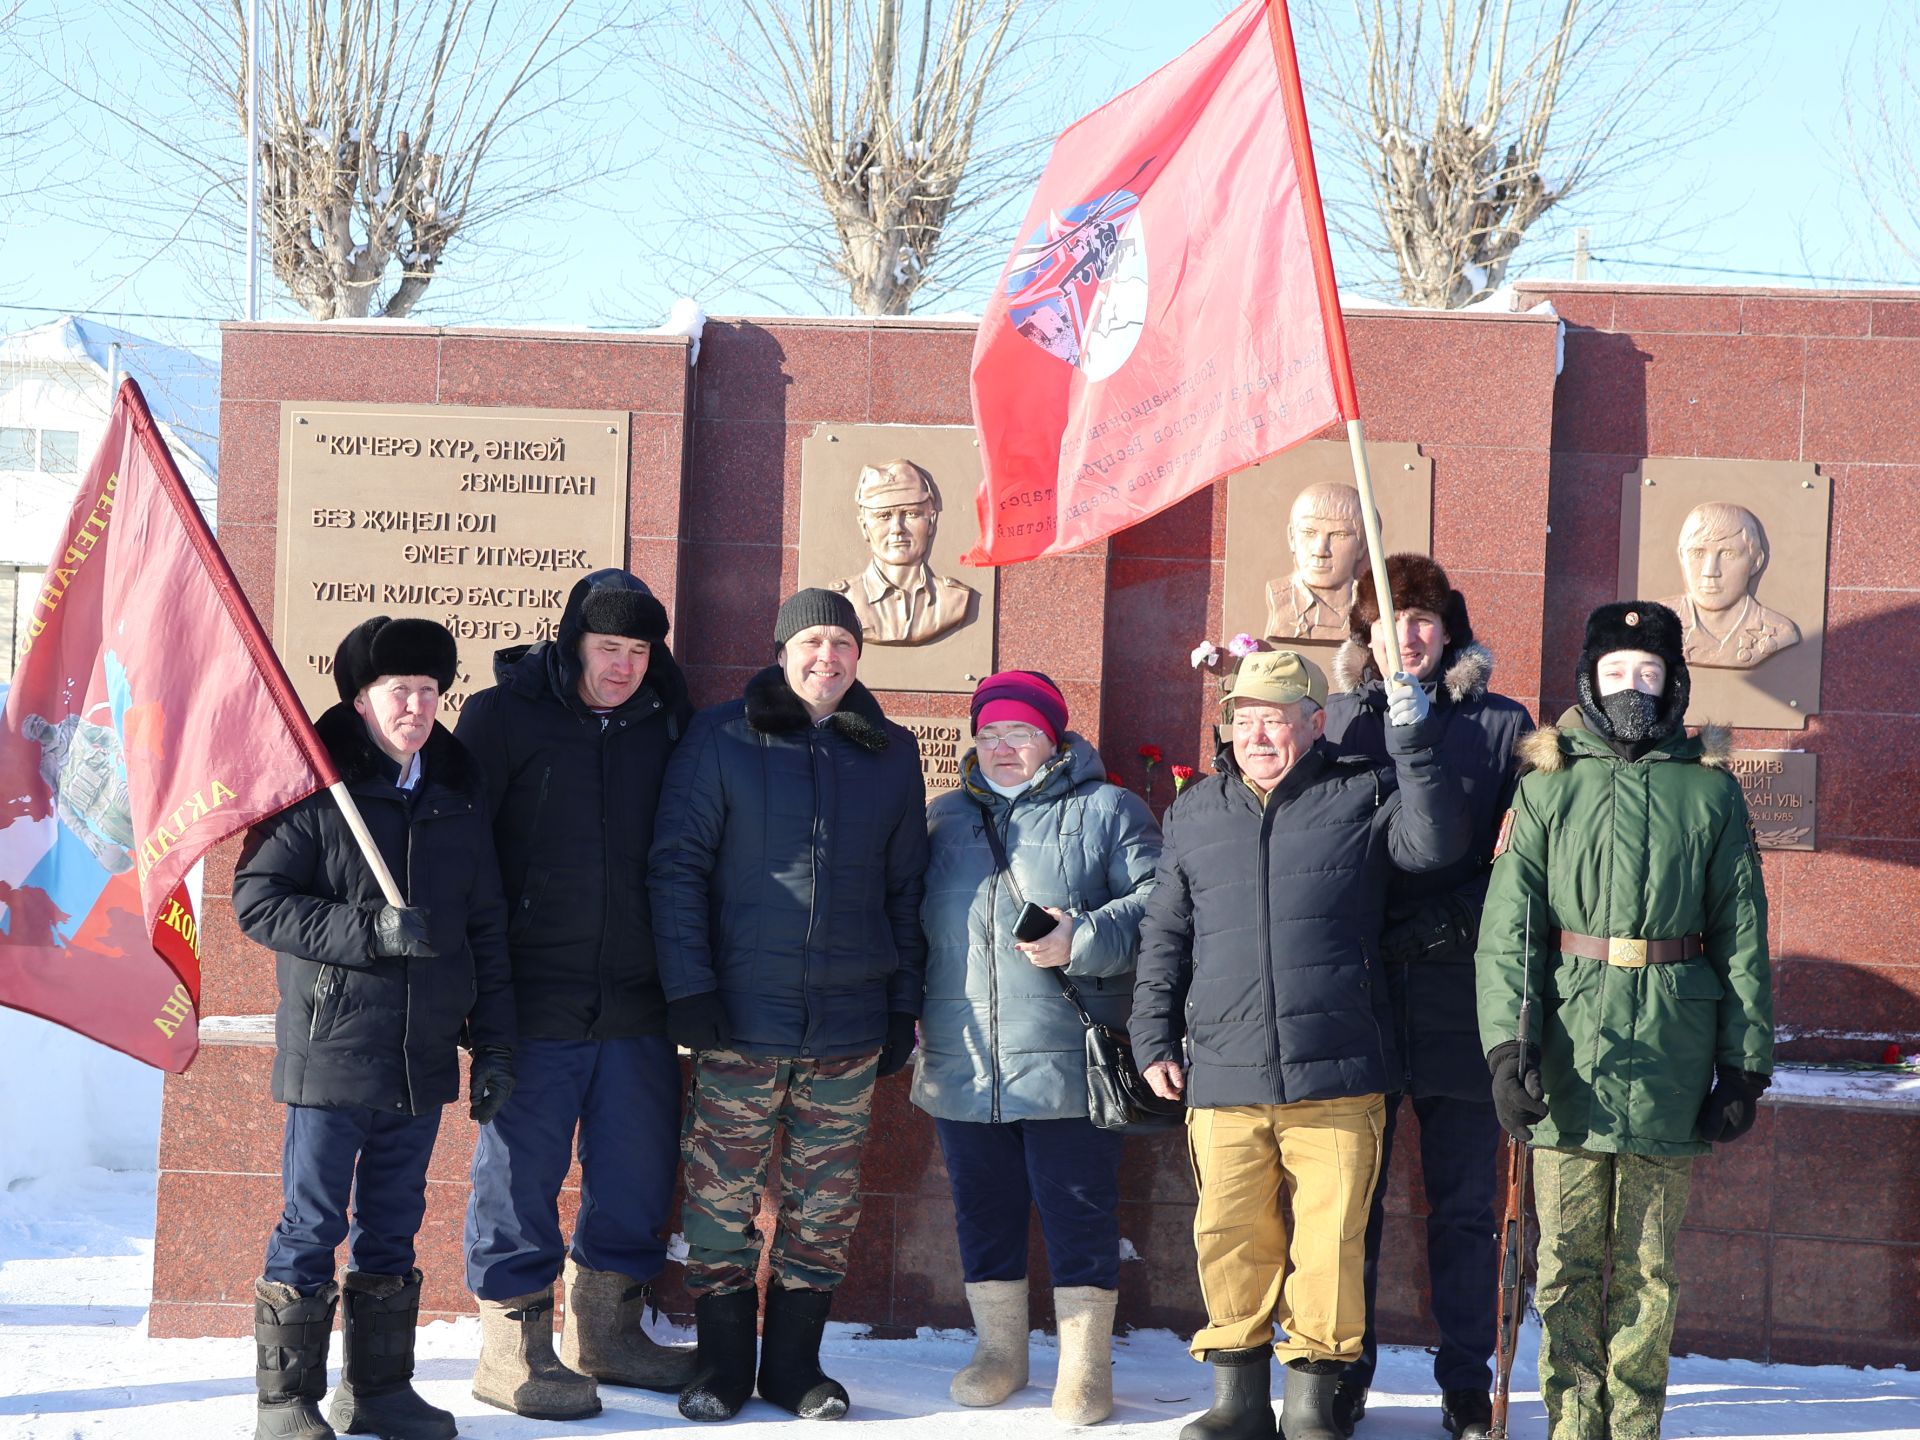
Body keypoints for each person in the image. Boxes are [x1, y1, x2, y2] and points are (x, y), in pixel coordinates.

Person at [1132, 650, 1468, 1440]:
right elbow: (1164, 934)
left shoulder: (1363, 791)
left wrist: (1415, 748)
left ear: (1315, 725)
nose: (1257, 735)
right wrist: (1151, 1035)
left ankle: (1315, 1406)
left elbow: (1435, 847)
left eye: (1276, 720)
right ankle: (1237, 1404)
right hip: (1222, 1069)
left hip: (1340, 1067)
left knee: (1329, 1245)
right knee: (1230, 1239)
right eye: (1244, 720)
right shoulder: (1195, 811)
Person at [1475, 600, 1773, 1440]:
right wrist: (1509, 1049)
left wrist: (1744, 1065)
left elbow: (1742, 930)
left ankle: (1633, 1426)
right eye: (1615, 672)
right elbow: (1509, 933)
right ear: (1589, 680)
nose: (1632, 687)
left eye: (1648, 672)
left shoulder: (1710, 792)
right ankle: (1573, 1424)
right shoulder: (1546, 785)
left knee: (1648, 1264)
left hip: (1672, 1054)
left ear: (1674, 681)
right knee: (1566, 1262)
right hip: (1570, 1052)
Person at [649, 588, 930, 1423]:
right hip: (740, 1019)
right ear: (781, 648)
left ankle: (795, 1368)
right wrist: (690, 989)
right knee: (721, 1202)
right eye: (813, 640)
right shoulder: (722, 736)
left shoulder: (888, 751)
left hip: (846, 1025)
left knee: (826, 1206)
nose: (828, 658)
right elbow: (677, 869)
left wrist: (898, 1007)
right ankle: (728, 1366)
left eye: (843, 643)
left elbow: (906, 888)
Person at [234, 616, 517, 1440]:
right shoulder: (317, 790)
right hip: (332, 1050)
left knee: (393, 1223)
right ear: (361, 699)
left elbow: (487, 925)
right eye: (401, 690)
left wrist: (494, 1042)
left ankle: (379, 1391)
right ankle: (285, 1402)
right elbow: (259, 900)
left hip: (420, 1055)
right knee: (313, 1222)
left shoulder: (458, 794)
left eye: (431, 691)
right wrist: (369, 933)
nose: (418, 706)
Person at [453, 569, 696, 1420]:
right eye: (608, 648)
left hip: (638, 993)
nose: (624, 666)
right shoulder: (501, 717)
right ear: (572, 642)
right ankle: (509, 1347)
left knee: (636, 1166)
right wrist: (473, 990)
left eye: (638, 650)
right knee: (520, 1169)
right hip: (531, 991)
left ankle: (608, 1331)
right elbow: (462, 853)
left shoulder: (669, 721)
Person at [913, 670, 1162, 1426]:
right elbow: (908, 920)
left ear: (1054, 737)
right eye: (988, 734)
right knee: (981, 1210)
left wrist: (1079, 938)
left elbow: (1162, 907)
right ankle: (1001, 1353)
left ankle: (1085, 1367)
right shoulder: (944, 819)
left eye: (1019, 732)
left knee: (1077, 1210)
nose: (1002, 747)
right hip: (964, 1060)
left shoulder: (1109, 810)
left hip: (1065, 1061)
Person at [1322, 556, 1533, 1440]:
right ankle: (1343, 1373)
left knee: (1462, 1208)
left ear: (1450, 627)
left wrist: (1445, 923)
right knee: (1350, 1204)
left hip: (1460, 994)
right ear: (1363, 635)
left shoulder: (1499, 725)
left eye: (1422, 619)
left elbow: (1525, 862)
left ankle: (1462, 1379)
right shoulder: (1334, 722)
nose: (1405, 636)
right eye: (1388, 620)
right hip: (1359, 994)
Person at [830, 459, 978, 644]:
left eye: (911, 514)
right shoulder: (842, 601)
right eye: (883, 516)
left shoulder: (954, 599)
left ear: (931, 522)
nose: (897, 528)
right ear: (864, 526)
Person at [1657, 501, 1801, 669]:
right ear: (1682, 556)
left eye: (1727, 554)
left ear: (1755, 562)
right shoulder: (1653, 623)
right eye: (1698, 553)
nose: (1710, 571)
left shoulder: (1780, 632)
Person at [1263, 483, 1373, 643]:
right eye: (1308, 533)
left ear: (1362, 545)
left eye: (1339, 534)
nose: (1320, 551)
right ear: (1292, 538)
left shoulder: (1373, 607)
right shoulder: (1279, 598)